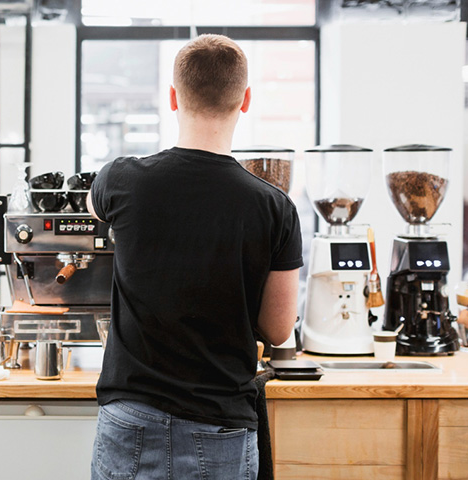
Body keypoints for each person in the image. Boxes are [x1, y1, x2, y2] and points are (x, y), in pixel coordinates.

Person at [86, 34, 303, 480]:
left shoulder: (122, 179)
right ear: (245, 101)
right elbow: (279, 330)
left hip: (131, 420)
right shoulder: (274, 206)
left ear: (172, 97)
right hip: (220, 424)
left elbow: (93, 207)